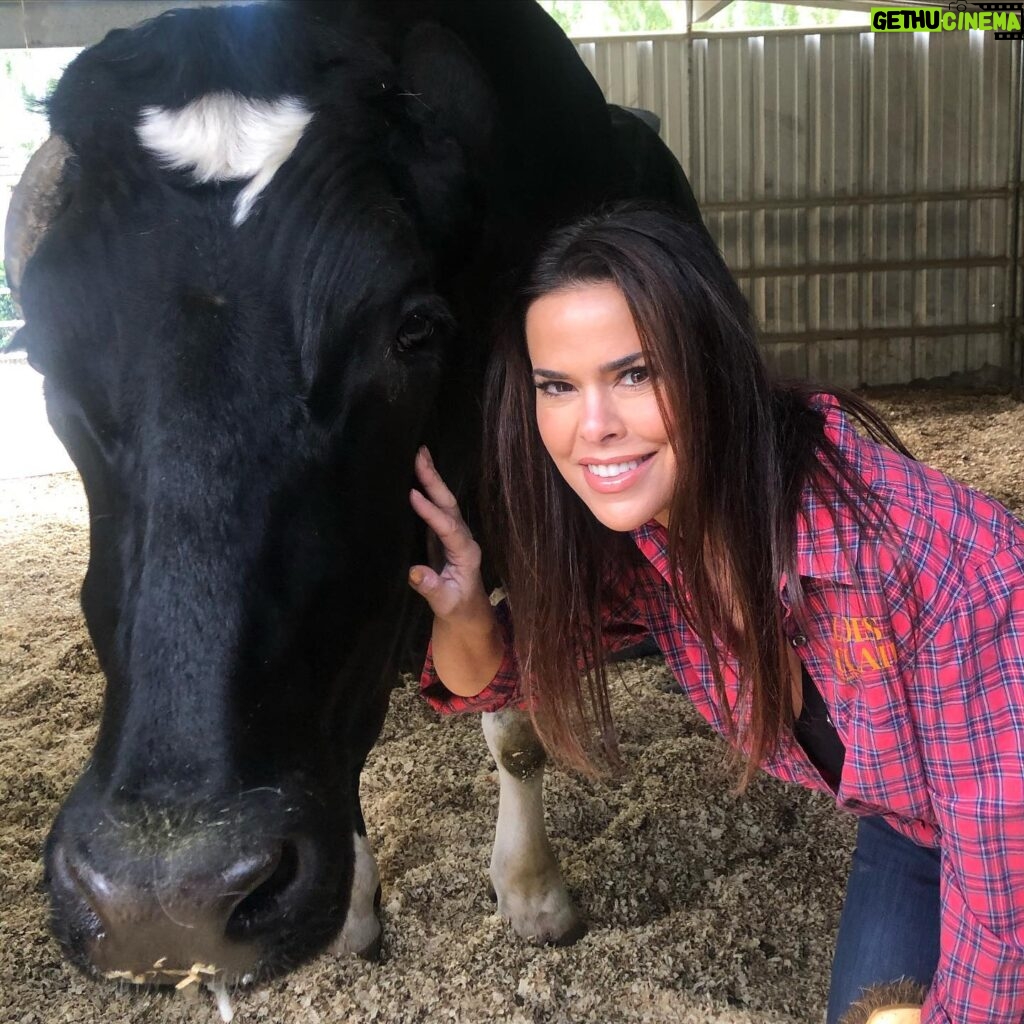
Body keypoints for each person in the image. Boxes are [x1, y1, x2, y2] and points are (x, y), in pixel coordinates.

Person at [406, 203, 1024, 1024]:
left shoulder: (940, 569)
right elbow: (492, 681)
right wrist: (464, 607)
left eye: (635, 374)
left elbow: (1002, 867)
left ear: (713, 363)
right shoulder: (657, 547)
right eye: (558, 386)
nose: (594, 429)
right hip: (914, 827)